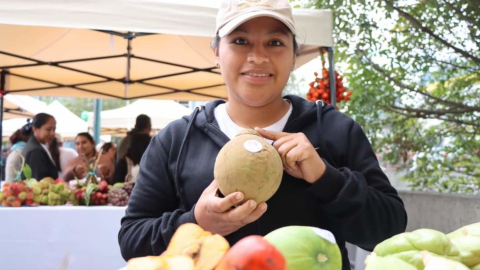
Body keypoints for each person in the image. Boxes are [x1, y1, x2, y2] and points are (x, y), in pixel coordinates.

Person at [118, 1, 407, 268]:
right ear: (217, 53)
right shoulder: (175, 140)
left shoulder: (336, 130)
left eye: (275, 42)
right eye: (240, 41)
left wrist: (326, 178)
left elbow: (389, 230)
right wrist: (197, 222)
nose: (258, 57)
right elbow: (132, 241)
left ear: (294, 56)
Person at [22, 113, 58, 180]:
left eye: (54, 129)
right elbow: (38, 182)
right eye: (48, 129)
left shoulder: (35, 146)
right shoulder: (35, 151)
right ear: (35, 129)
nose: (52, 133)